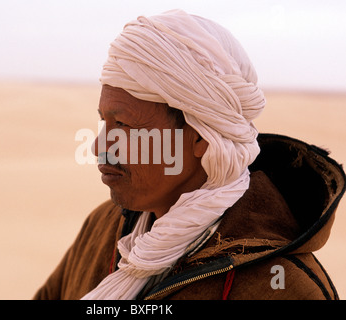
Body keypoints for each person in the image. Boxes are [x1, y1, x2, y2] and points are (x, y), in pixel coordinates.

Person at [34, 10, 345, 300]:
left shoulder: (282, 287)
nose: (99, 147)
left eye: (124, 125)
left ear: (200, 136)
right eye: (104, 122)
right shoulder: (102, 228)